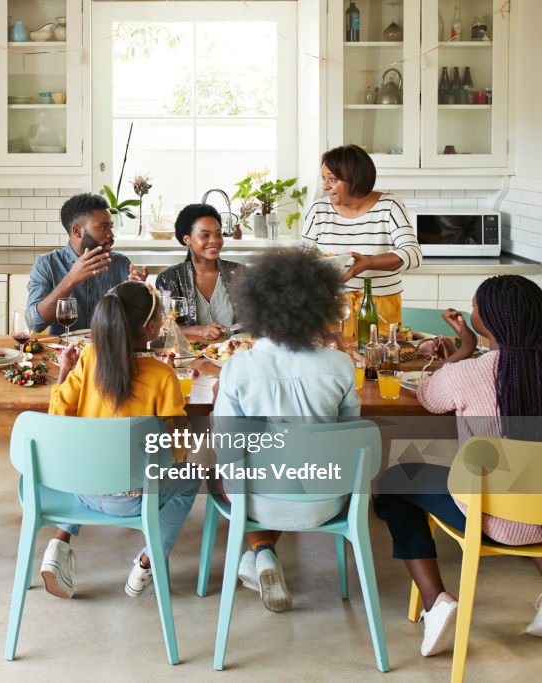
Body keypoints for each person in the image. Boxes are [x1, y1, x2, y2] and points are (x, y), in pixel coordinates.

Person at [373, 275, 542, 657]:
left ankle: (435, 601)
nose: (472, 310)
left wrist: (460, 351)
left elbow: (430, 397)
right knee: (529, 484)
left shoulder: (470, 373)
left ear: (489, 321)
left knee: (394, 481)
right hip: (540, 512)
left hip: (491, 518)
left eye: (476, 307)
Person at [213, 249, 360, 612]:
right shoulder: (341, 366)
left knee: (222, 468)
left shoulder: (239, 367)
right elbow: (351, 436)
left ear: (257, 307)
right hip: (326, 502)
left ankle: (260, 553)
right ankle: (261, 554)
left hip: (258, 502)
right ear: (320, 306)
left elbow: (227, 449)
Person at [39, 281, 198, 599]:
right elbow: (178, 449)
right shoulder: (161, 375)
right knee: (192, 477)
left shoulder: (88, 358)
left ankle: (59, 542)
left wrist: (64, 374)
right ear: (150, 328)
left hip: (82, 489)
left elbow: (58, 414)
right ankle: (148, 560)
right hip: (133, 500)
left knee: (90, 454)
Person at [302, 145, 422, 336]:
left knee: (380, 360)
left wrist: (367, 263)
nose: (325, 186)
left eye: (332, 179)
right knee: (333, 361)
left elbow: (413, 255)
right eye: (324, 179)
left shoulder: (389, 205)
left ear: (355, 179)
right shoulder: (318, 210)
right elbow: (303, 259)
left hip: (380, 305)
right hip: (330, 305)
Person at [26, 193, 148, 335]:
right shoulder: (47, 264)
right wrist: (71, 279)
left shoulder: (120, 263)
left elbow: (138, 322)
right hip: (64, 353)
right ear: (77, 231)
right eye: (103, 227)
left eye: (111, 227)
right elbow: (35, 323)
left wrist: (138, 294)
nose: (111, 234)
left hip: (109, 351)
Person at [154, 203, 241, 340]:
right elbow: (163, 326)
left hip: (236, 354)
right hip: (190, 357)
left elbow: (258, 319)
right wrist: (199, 331)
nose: (214, 241)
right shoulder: (169, 278)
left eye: (218, 234)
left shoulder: (240, 274)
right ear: (187, 239)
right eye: (205, 235)